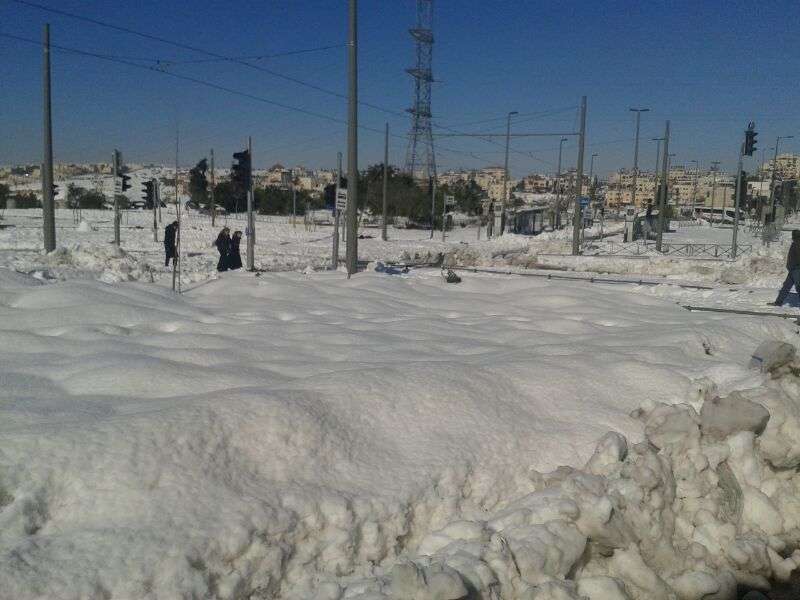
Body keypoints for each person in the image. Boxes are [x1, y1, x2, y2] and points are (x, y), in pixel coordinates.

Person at [770, 229, 800, 306]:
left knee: (798, 287)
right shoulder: (795, 243)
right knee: (786, 286)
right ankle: (778, 302)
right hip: (792, 269)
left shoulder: (798, 243)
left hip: (796, 269)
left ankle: (778, 302)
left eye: (793, 235)